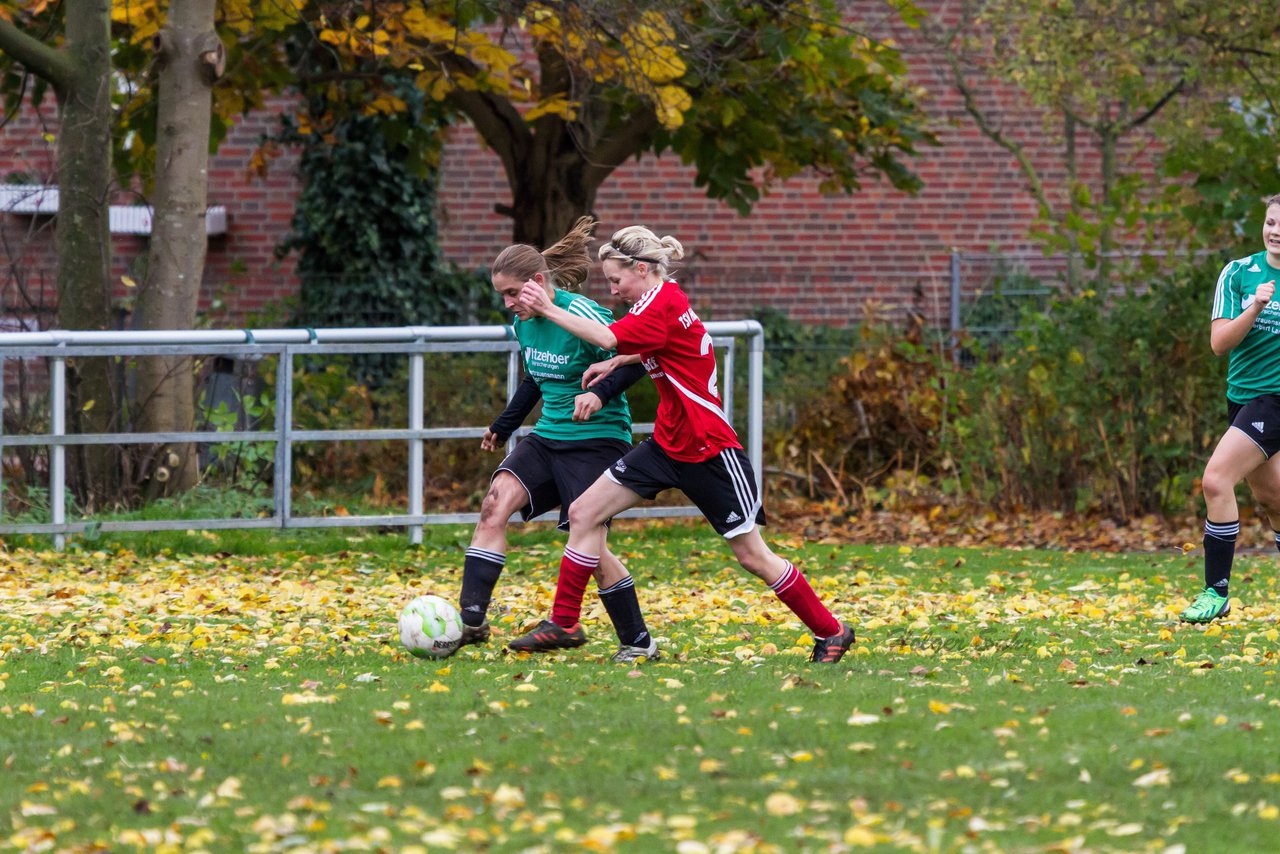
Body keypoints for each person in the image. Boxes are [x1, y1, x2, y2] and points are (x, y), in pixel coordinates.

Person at [509, 224, 856, 663]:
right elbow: (663, 343)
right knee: (582, 512)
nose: (614, 291)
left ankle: (832, 631)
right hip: (665, 446)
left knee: (753, 556)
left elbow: (608, 336)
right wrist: (623, 359)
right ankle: (564, 622)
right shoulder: (662, 300)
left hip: (709, 450)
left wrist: (551, 309)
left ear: (641, 268)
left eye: (616, 281)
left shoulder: (661, 301)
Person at [452, 216, 660, 662]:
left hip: (598, 439)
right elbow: (536, 376)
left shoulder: (583, 314)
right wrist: (504, 424)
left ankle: (638, 642)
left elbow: (634, 359)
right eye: (502, 295)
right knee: (494, 503)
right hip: (548, 437)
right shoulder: (524, 322)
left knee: (589, 544)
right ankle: (471, 621)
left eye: (513, 293)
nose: (508, 303)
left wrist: (598, 395)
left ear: (538, 282)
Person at [1181, 193, 1280, 623]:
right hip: (1242, 399)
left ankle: (1214, 593)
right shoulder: (1239, 273)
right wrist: (1255, 305)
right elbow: (1219, 344)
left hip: (1274, 401)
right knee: (1273, 497)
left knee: (1216, 480)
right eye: (1271, 222)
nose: (1276, 231)